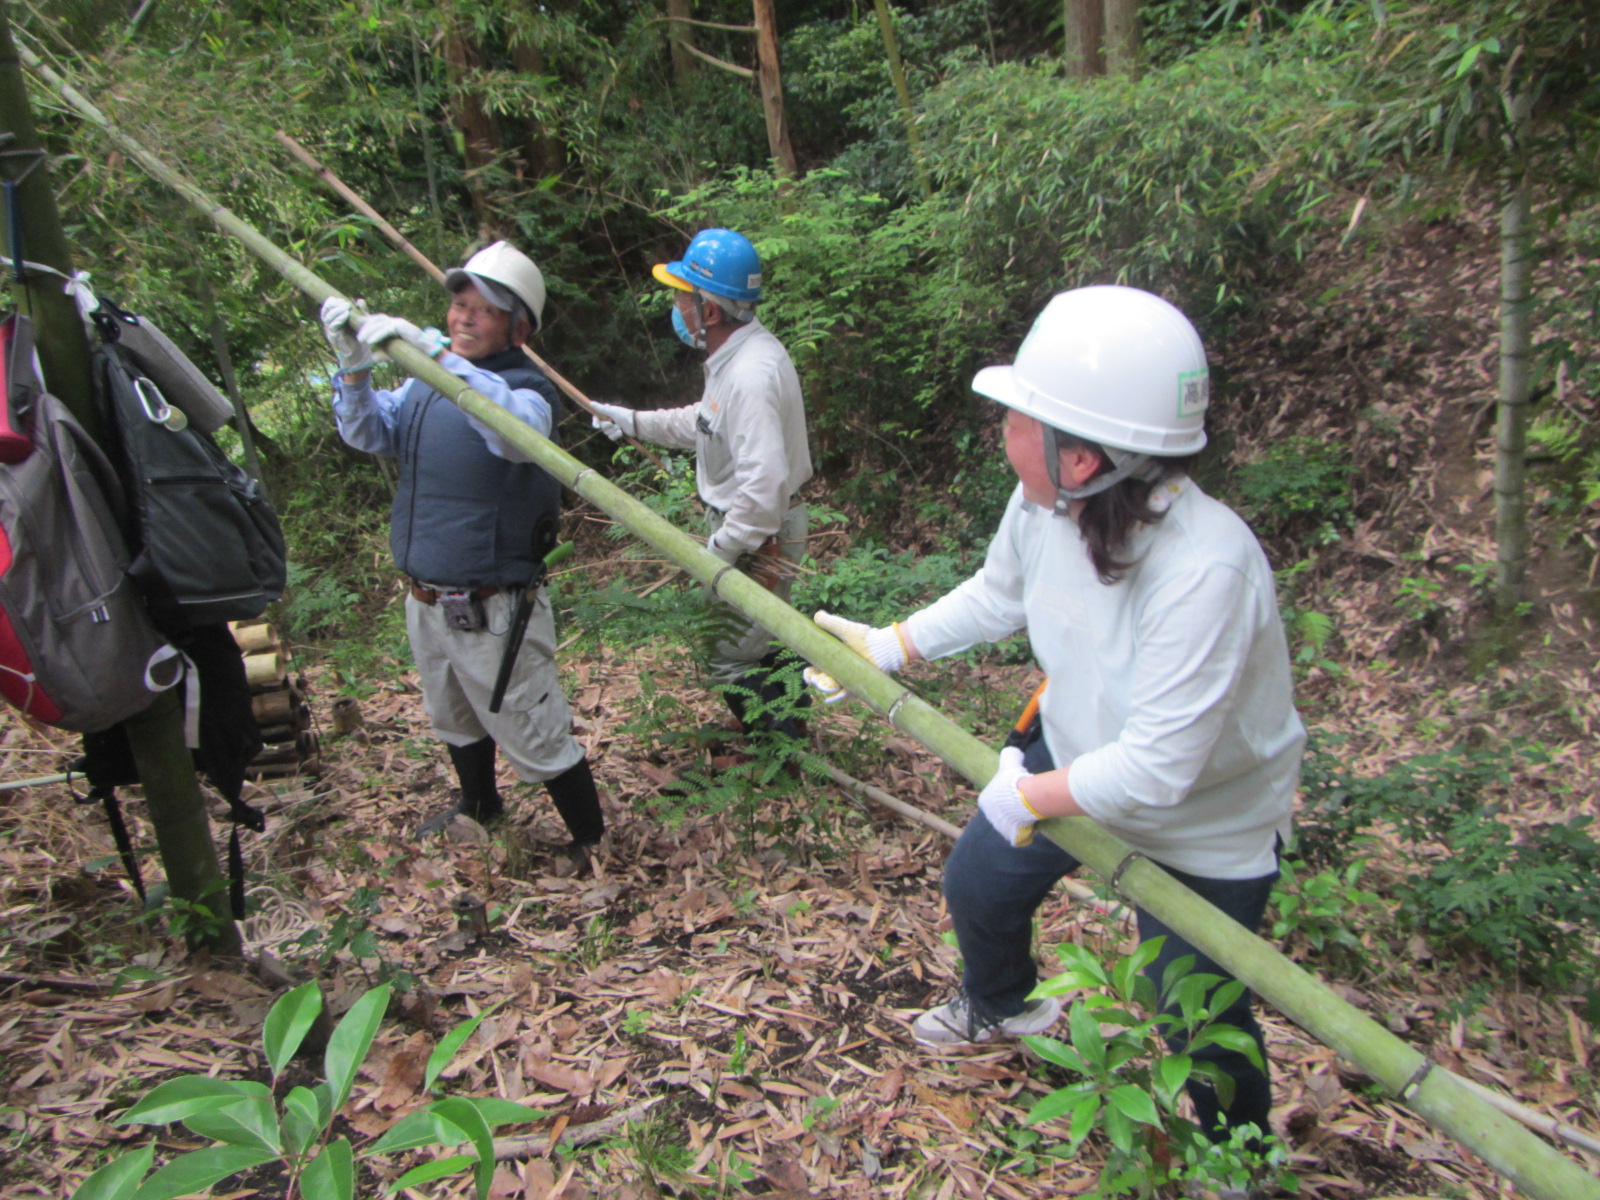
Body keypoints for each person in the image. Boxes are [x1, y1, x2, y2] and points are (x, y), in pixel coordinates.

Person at [809, 286, 1304, 1142]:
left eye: (1020, 416)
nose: (1004, 428)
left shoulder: (1205, 569)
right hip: (1076, 750)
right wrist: (891, 647)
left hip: (1205, 820)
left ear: (1080, 457)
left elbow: (1157, 768)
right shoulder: (1045, 508)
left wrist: (1027, 799)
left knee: (1193, 1014)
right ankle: (999, 1003)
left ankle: (1242, 1157)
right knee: (977, 885)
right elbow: (999, 595)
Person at [319, 241, 605, 862]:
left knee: (532, 725)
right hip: (426, 595)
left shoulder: (527, 393)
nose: (464, 318)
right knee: (451, 711)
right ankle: (479, 802)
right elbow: (370, 433)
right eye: (458, 304)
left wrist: (440, 359)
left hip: (494, 605)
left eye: (484, 310)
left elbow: (512, 435)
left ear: (518, 328)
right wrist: (354, 367)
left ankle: (590, 839)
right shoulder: (427, 382)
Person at [589, 229, 814, 740]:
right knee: (759, 637)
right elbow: (704, 423)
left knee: (731, 653)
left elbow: (764, 487)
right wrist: (630, 421)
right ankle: (779, 730)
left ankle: (777, 753)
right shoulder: (735, 359)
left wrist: (721, 551)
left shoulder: (751, 374)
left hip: (759, 537)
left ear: (709, 311)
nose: (677, 305)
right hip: (754, 531)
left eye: (682, 295)